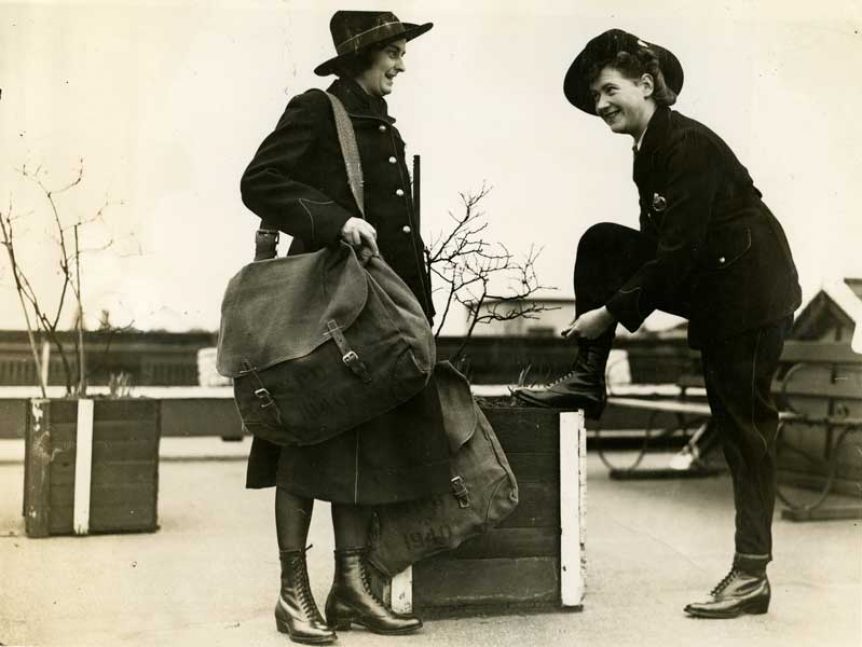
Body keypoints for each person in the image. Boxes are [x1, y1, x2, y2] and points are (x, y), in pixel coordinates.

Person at [513, 29, 801, 619]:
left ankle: (751, 573)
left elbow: (677, 253)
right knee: (602, 244)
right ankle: (588, 379)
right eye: (595, 96)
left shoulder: (685, 144)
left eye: (608, 90)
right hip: (717, 283)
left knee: (743, 428)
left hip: (752, 295)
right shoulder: (651, 147)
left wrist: (609, 313)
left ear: (646, 85)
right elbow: (660, 249)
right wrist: (615, 308)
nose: (600, 105)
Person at [239, 11, 448, 644]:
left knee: (364, 448)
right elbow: (260, 181)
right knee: (304, 442)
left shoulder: (377, 119)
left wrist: (417, 310)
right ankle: (292, 595)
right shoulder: (317, 109)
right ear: (366, 54)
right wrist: (336, 221)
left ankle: (350, 588)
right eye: (395, 52)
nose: (403, 64)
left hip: (375, 313)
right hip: (323, 314)